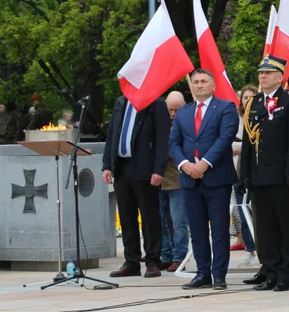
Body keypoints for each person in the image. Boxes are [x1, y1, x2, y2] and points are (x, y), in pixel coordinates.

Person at [239, 56, 289, 291]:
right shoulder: (254, 102)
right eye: (261, 73)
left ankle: (286, 273)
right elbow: (248, 142)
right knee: (265, 228)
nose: (263, 76)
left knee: (285, 226)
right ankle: (270, 269)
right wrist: (245, 173)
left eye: (269, 73)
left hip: (281, 175)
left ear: (280, 77)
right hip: (259, 175)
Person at [170, 69, 241, 290]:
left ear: (213, 85)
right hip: (190, 179)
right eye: (196, 82)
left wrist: (204, 163)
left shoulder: (225, 107)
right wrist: (185, 165)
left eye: (204, 81)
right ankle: (203, 273)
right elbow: (174, 142)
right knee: (197, 229)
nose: (199, 85)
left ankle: (219, 275)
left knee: (219, 229)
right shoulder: (183, 112)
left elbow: (225, 137)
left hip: (216, 178)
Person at [101, 91, 170, 278]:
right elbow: (112, 135)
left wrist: (159, 169)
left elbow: (163, 139)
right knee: (126, 216)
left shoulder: (155, 103)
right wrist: (107, 164)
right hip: (122, 167)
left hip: (145, 167)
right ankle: (131, 261)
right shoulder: (121, 102)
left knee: (149, 216)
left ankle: (152, 261)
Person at [158, 91, 190, 272]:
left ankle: (180, 256)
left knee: (179, 221)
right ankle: (166, 255)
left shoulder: (188, 124)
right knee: (160, 219)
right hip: (159, 179)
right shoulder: (160, 123)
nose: (173, 114)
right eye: (170, 110)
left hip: (178, 180)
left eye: (177, 110)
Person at [231, 86, 258, 266]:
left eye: (251, 97)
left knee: (253, 212)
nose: (247, 100)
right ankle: (250, 249)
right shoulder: (235, 119)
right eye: (244, 97)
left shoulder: (258, 117)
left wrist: (242, 148)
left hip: (254, 172)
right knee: (241, 212)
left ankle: (260, 248)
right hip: (236, 173)